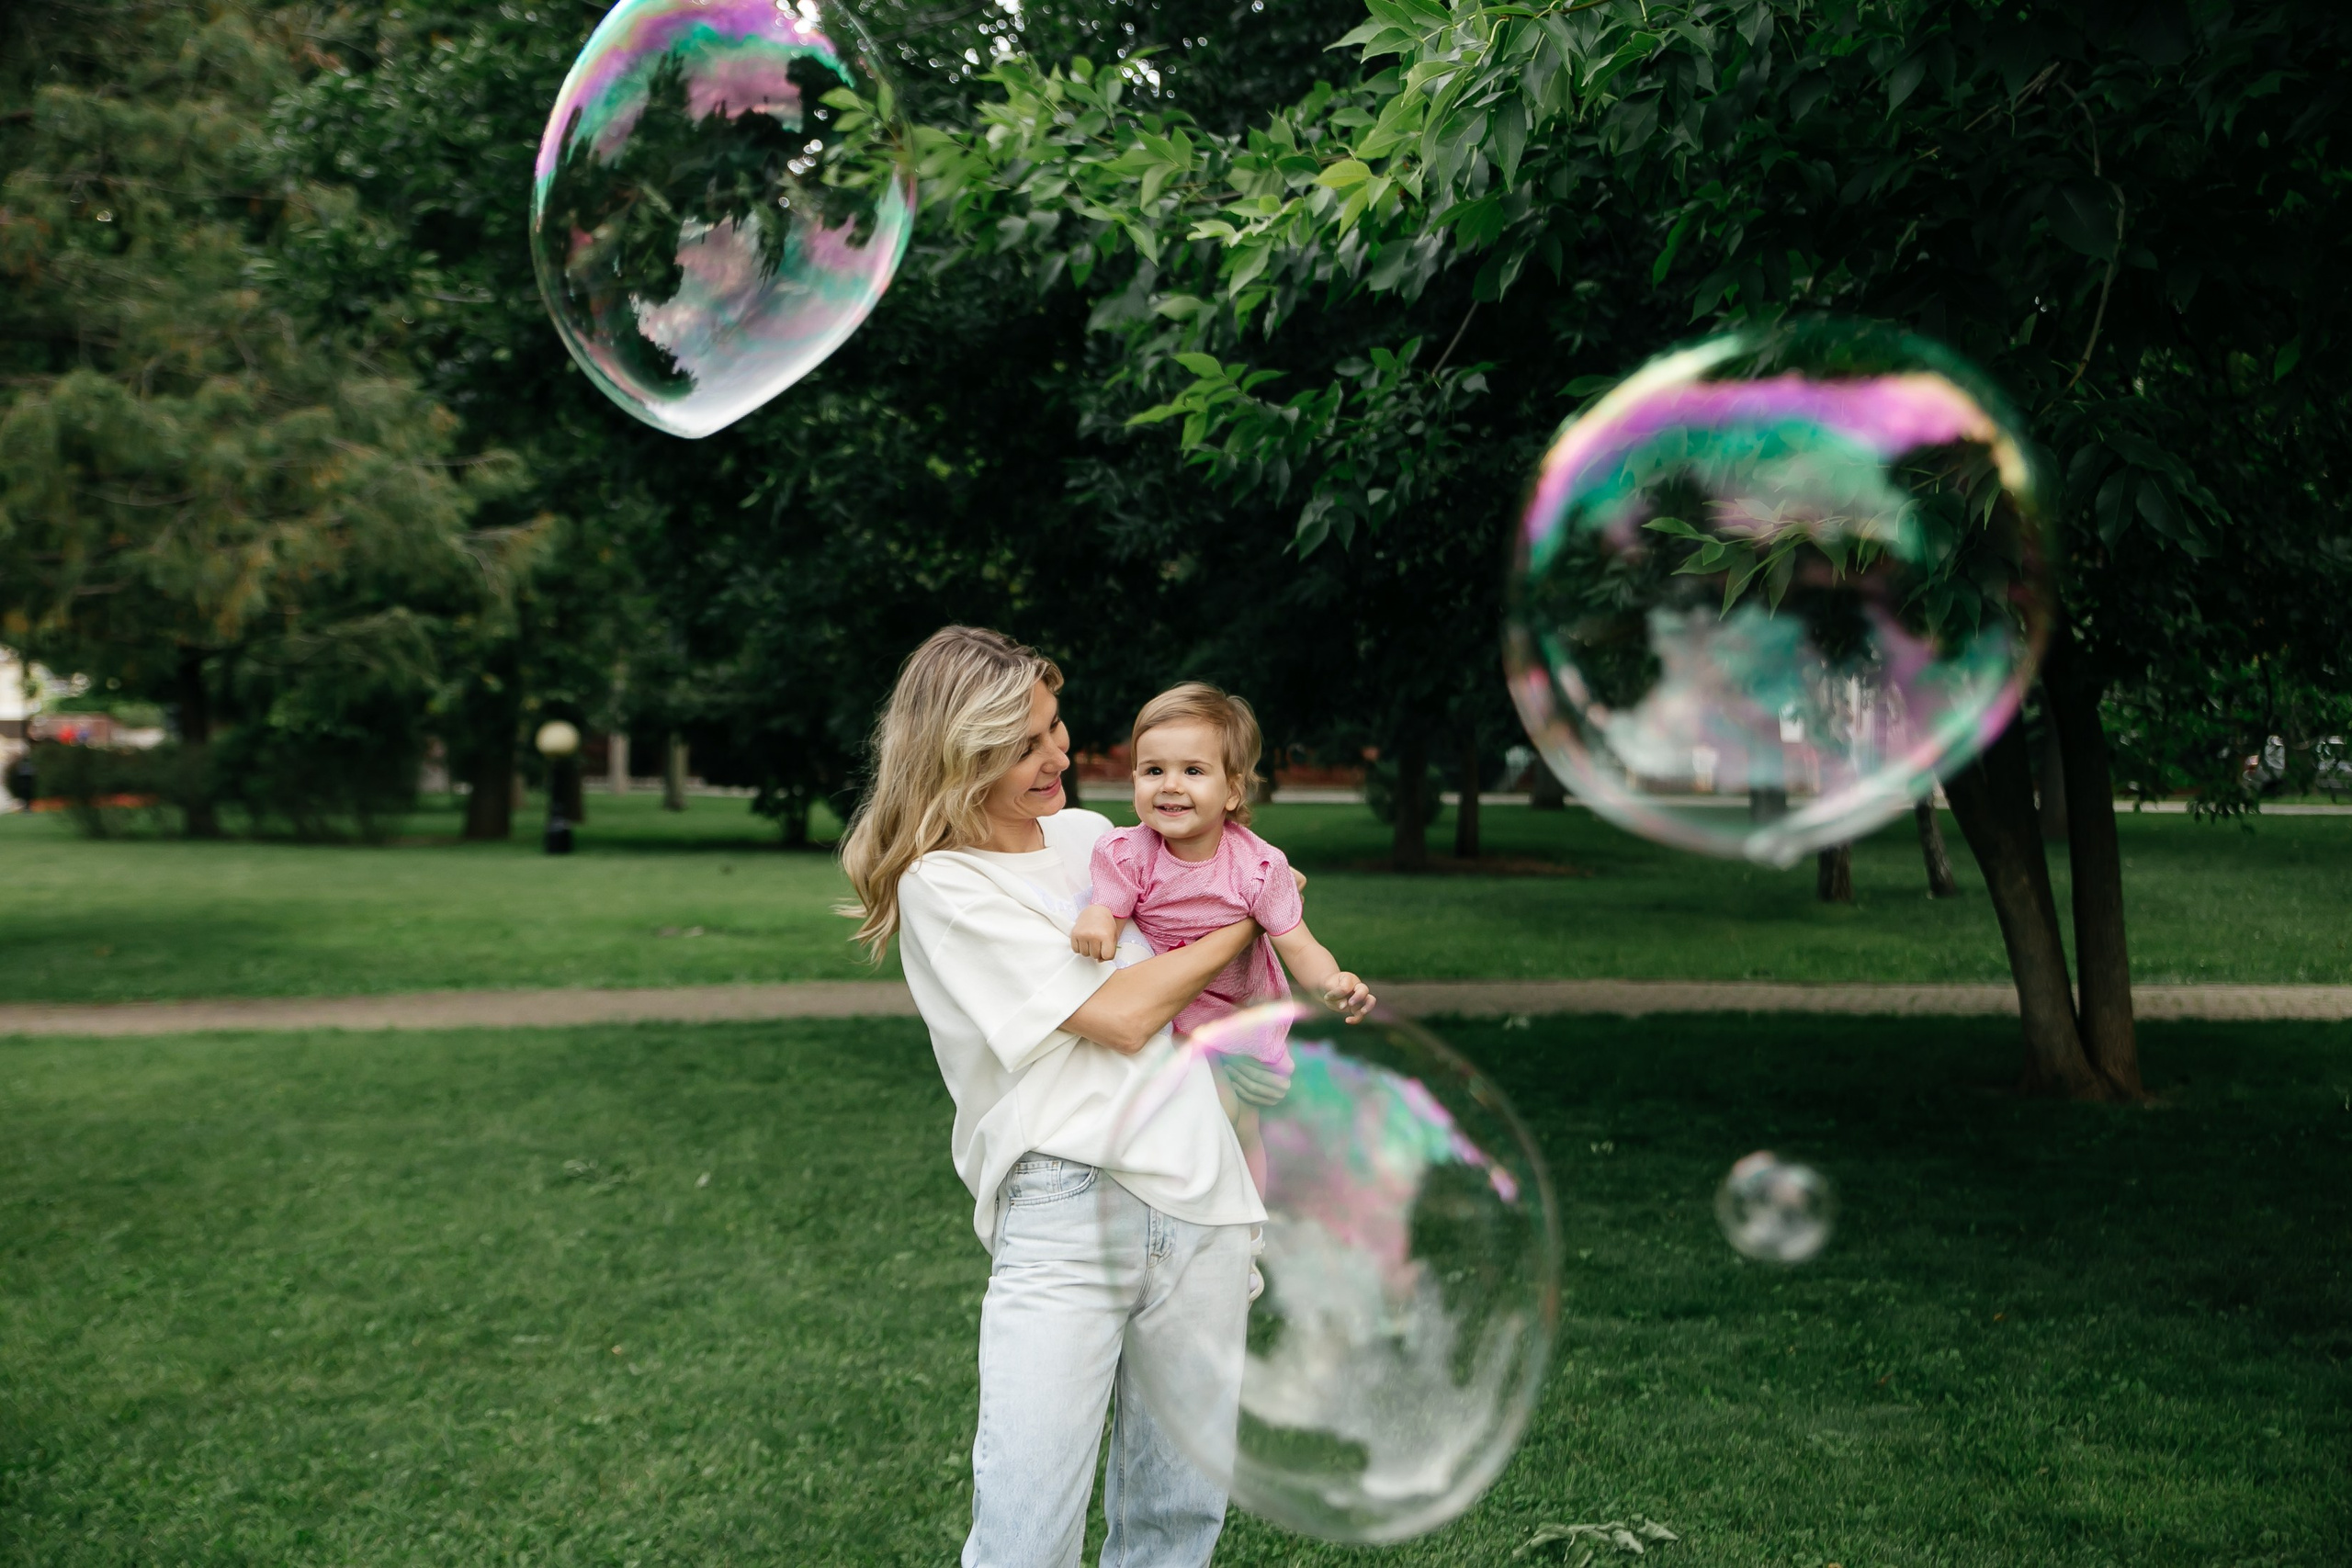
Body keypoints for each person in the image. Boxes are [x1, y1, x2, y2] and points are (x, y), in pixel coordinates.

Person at [840, 626, 1283, 1568]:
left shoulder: (1094, 839)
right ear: (958, 755)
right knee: (1023, 1537)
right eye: (1023, 745)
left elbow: (1218, 859)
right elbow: (1121, 1015)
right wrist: (1248, 917)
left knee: (1176, 1521)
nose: (1058, 757)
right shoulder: (944, 884)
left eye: (1054, 728)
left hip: (1200, 1198)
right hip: (1067, 1211)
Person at [1069, 682, 1374, 1255]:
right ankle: (1195, 1220)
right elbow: (1108, 904)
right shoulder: (1126, 852)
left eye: (1193, 770)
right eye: (1152, 769)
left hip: (1242, 1008)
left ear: (1233, 790)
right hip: (1173, 1006)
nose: (1170, 786)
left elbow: (1299, 944)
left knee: (1243, 1122)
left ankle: (1245, 1230)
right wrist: (1096, 920)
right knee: (1206, 1109)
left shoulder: (1258, 867)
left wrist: (1333, 983)